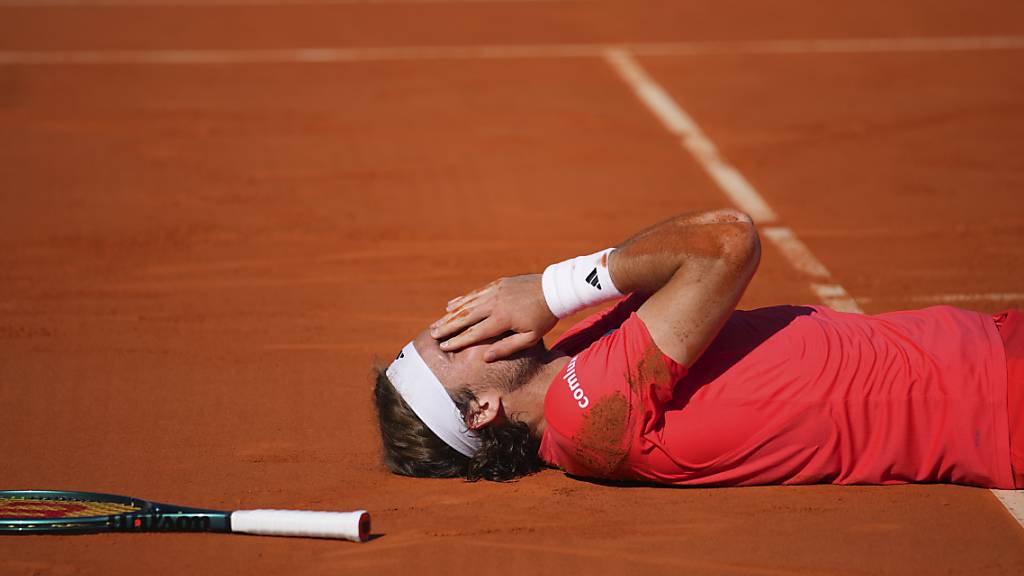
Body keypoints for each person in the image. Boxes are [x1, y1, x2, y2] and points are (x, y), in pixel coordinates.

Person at [372, 209, 1024, 488]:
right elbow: (725, 242)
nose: (467, 319)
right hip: (997, 402)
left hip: (985, 353)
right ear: (483, 410)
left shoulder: (577, 360)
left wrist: (558, 304)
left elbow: (670, 262)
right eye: (452, 342)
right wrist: (553, 287)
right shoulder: (588, 413)